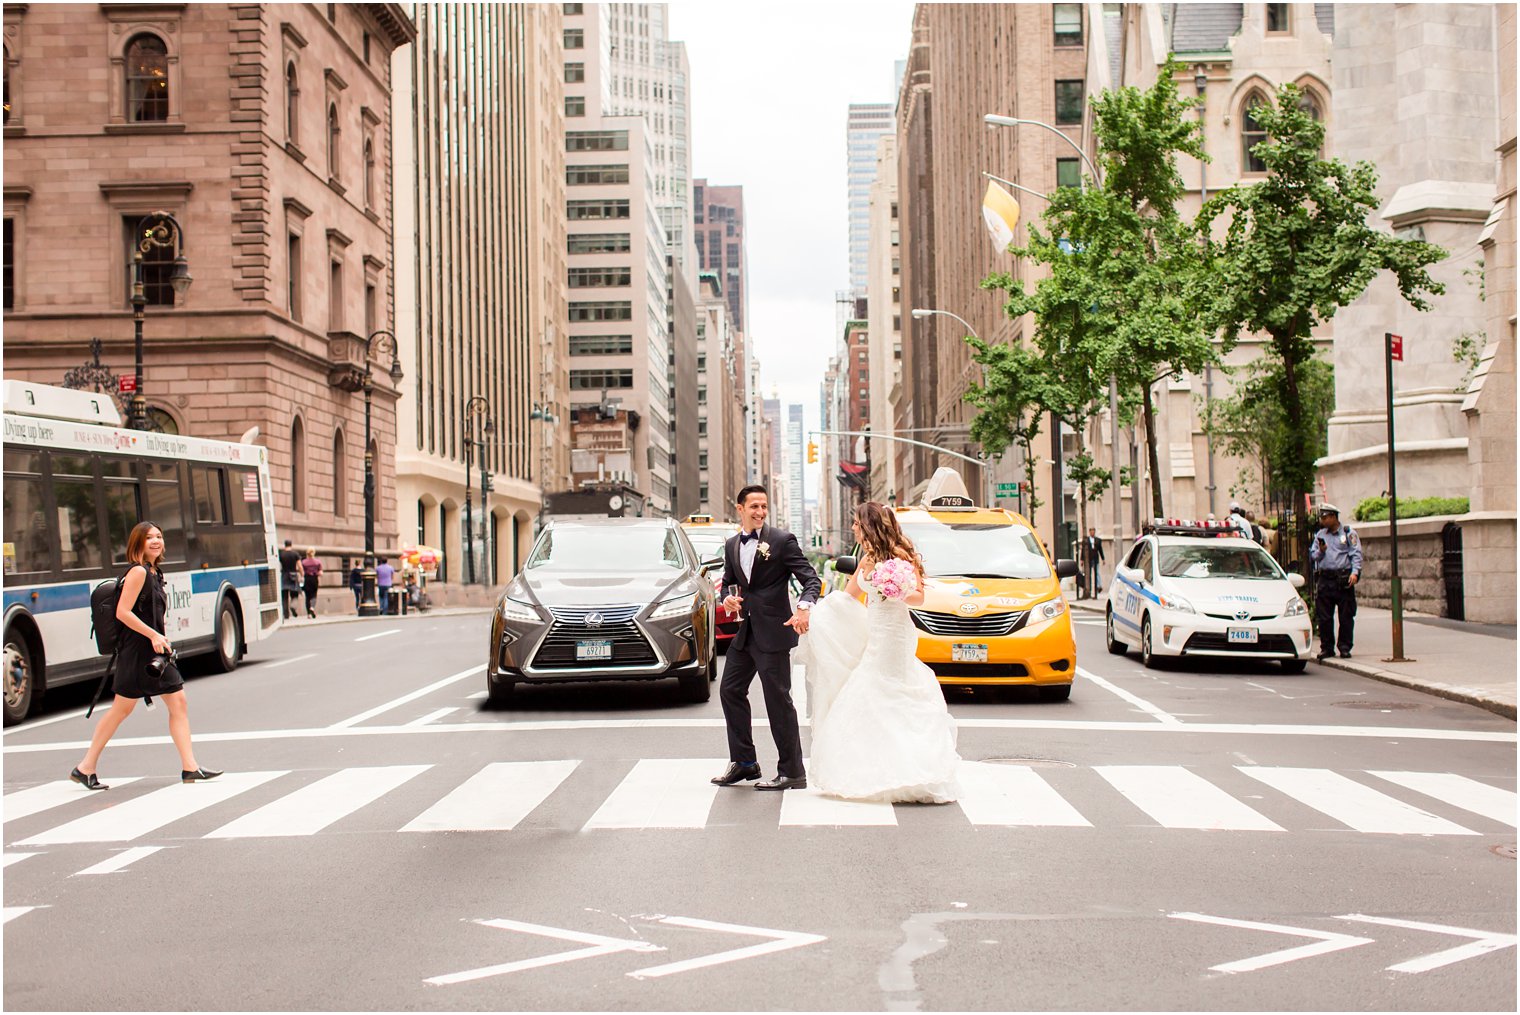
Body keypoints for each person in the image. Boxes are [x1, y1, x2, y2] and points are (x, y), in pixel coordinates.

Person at [801, 502, 960, 804]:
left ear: (869, 525)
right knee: (871, 686)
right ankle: (876, 764)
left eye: (856, 524)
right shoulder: (866, 559)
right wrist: (815, 614)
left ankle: (912, 767)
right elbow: (848, 597)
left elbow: (920, 596)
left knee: (888, 686)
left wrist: (895, 590)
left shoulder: (901, 556)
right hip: (874, 630)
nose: (853, 529)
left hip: (896, 634)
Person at [70, 522, 221, 790]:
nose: (155, 541)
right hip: (138, 651)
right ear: (137, 543)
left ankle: (190, 767)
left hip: (153, 651)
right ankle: (85, 766)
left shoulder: (154, 572)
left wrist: (160, 637)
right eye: (149, 537)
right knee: (121, 709)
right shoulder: (138, 572)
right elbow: (122, 612)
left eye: (159, 537)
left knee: (177, 703)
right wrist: (152, 635)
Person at [711, 484, 822, 791]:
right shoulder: (733, 543)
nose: (760, 512)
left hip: (774, 632)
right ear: (740, 509)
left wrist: (803, 608)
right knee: (730, 690)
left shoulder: (782, 541)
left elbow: (810, 579)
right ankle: (744, 762)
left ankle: (792, 771)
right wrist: (727, 599)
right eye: (754, 507)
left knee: (778, 701)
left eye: (764, 506)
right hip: (746, 632)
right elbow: (728, 584)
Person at [1309, 503, 1362, 661]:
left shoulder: (1348, 533)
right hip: (1326, 578)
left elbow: (1356, 554)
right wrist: (1321, 551)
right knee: (1324, 616)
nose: (1323, 520)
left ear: (1333, 517)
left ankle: (1344, 647)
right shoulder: (1320, 535)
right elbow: (1313, 556)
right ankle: (1327, 648)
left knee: (1346, 615)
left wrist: (1355, 573)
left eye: (1325, 517)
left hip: (1343, 578)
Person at [278, 539, 302, 620]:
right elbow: (299, 566)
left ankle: (286, 614)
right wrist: (302, 574)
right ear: (291, 545)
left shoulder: (281, 554)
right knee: (295, 594)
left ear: (285, 545)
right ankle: (293, 606)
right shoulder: (295, 554)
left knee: (284, 596)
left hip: (284, 575)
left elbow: (278, 565)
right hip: (293, 575)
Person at [1080, 528, 1105, 599]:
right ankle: (1089, 589)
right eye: (1091, 531)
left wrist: (1103, 559)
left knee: (1097, 573)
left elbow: (1100, 550)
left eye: (1093, 531)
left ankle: (1098, 586)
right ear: (1089, 532)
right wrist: (1082, 560)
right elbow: (1083, 550)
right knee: (1088, 574)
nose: (1092, 533)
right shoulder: (1086, 540)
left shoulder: (1098, 540)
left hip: (1095, 558)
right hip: (1088, 559)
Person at [301, 548, 322, 619]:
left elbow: (302, 571)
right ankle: (312, 608)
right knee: (314, 595)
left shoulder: (303, 562)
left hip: (306, 579)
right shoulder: (317, 562)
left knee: (307, 597)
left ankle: (308, 614)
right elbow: (320, 572)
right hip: (314, 579)